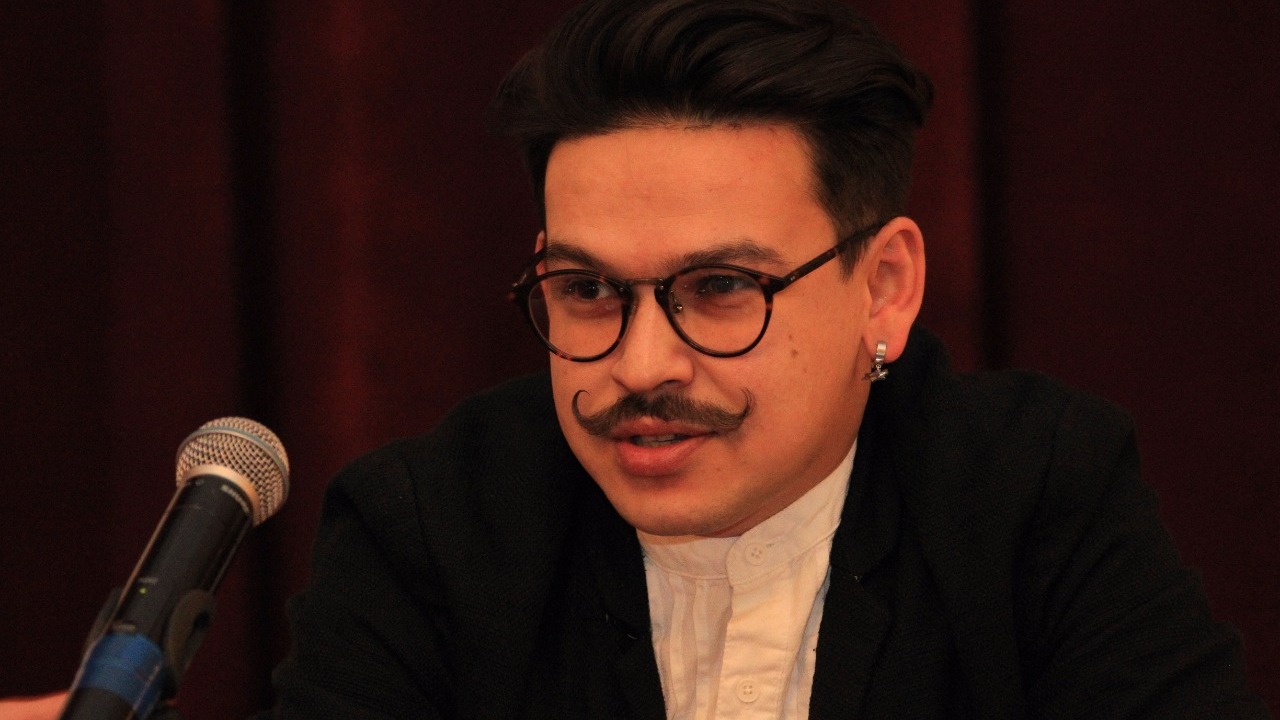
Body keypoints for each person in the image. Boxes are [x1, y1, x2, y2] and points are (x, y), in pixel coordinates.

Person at [6, 1, 1266, 718]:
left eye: (718, 290)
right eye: (587, 292)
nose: (636, 366)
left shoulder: (1030, 490)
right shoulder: (434, 522)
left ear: (882, 288)